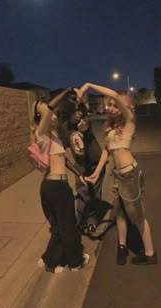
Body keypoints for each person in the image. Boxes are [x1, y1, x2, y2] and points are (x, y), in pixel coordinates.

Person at [79, 82, 157, 266]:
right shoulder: (111, 127)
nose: (111, 108)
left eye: (115, 105)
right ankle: (122, 247)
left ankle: (150, 253)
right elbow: (108, 150)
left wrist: (88, 85)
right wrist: (97, 173)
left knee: (137, 217)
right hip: (118, 176)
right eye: (110, 105)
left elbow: (114, 94)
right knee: (119, 213)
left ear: (124, 107)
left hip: (130, 175)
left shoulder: (129, 120)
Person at [31, 89, 90, 273]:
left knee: (58, 228)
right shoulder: (41, 134)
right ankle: (75, 262)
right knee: (69, 226)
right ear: (40, 117)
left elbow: (61, 160)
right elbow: (50, 107)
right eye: (47, 114)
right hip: (56, 186)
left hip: (51, 186)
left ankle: (50, 260)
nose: (53, 116)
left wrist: (77, 172)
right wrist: (66, 93)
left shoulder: (53, 137)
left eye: (54, 114)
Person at [59, 92, 106, 234]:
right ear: (68, 112)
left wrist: (84, 129)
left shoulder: (85, 121)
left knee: (95, 194)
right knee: (82, 194)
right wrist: (75, 170)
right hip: (80, 165)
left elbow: (86, 120)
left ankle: (92, 221)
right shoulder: (64, 128)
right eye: (75, 111)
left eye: (80, 110)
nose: (78, 114)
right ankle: (79, 221)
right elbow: (65, 150)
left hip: (96, 162)